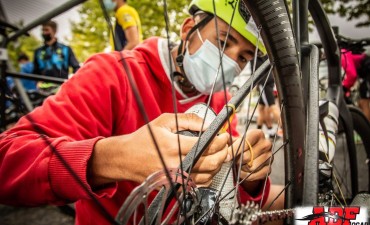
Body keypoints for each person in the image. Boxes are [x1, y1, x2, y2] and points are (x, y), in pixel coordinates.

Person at [0, 0, 279, 224]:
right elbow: (8, 157)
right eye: (223, 42)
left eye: (244, 58)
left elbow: (228, 198)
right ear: (188, 29)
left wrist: (249, 180)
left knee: (311, 210)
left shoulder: (223, 98)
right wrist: (115, 156)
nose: (230, 62)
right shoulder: (111, 74)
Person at [253, 56, 282, 138]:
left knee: (271, 106)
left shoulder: (257, 51)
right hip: (268, 78)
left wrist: (256, 82)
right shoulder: (264, 50)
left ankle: (285, 130)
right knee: (261, 107)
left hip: (264, 80)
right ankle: (267, 131)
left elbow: (255, 68)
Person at [342, 50, 370, 121]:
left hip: (367, 72)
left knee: (364, 102)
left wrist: (344, 88)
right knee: (361, 103)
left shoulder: (342, 53)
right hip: (365, 74)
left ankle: (365, 130)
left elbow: (352, 74)